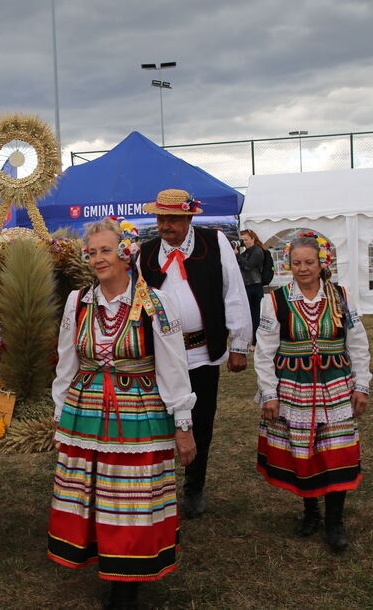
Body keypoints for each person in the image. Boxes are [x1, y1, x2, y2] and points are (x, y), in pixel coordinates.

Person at [49, 218, 196, 609]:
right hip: (86, 413)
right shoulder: (78, 301)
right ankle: (104, 558)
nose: (98, 258)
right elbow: (66, 361)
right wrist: (60, 413)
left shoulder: (156, 302)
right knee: (92, 493)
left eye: (106, 250)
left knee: (131, 498)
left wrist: (183, 424)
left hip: (138, 416)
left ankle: (126, 583)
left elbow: (173, 366)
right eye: (92, 252)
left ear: (127, 253)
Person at [138, 189, 252, 519]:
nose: (165, 225)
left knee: (200, 422)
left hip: (201, 351)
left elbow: (233, 292)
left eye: (173, 219)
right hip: (160, 357)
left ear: (189, 218)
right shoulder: (145, 253)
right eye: (161, 218)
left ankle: (194, 487)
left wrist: (239, 344)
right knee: (158, 422)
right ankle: (156, 488)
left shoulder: (213, 243)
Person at [254, 233, 371, 553]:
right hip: (295, 389)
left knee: (337, 453)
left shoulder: (342, 296)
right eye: (296, 263)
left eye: (309, 262)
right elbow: (264, 352)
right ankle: (310, 512)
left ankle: (335, 521)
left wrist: (361, 385)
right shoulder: (274, 301)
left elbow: (357, 343)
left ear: (322, 264)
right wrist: (269, 393)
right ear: (288, 265)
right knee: (302, 452)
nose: (303, 268)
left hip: (336, 388)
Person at [236, 229, 268, 348]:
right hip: (247, 286)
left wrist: (237, 254)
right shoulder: (247, 251)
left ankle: (256, 342)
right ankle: (251, 340)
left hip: (255, 286)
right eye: (242, 240)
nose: (244, 242)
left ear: (253, 239)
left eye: (246, 240)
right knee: (248, 315)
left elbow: (248, 266)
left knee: (255, 315)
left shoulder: (257, 251)